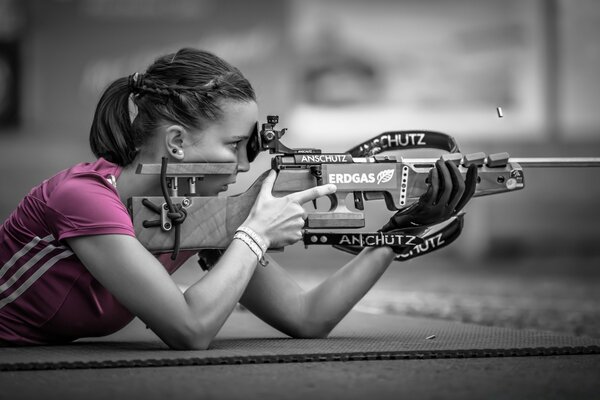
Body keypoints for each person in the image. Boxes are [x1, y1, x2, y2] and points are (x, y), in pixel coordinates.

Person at [0, 48, 477, 349]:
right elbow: (189, 330)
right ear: (176, 145)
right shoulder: (82, 198)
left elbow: (307, 318)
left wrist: (398, 233)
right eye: (234, 145)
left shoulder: (191, 207)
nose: (246, 164)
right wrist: (255, 234)